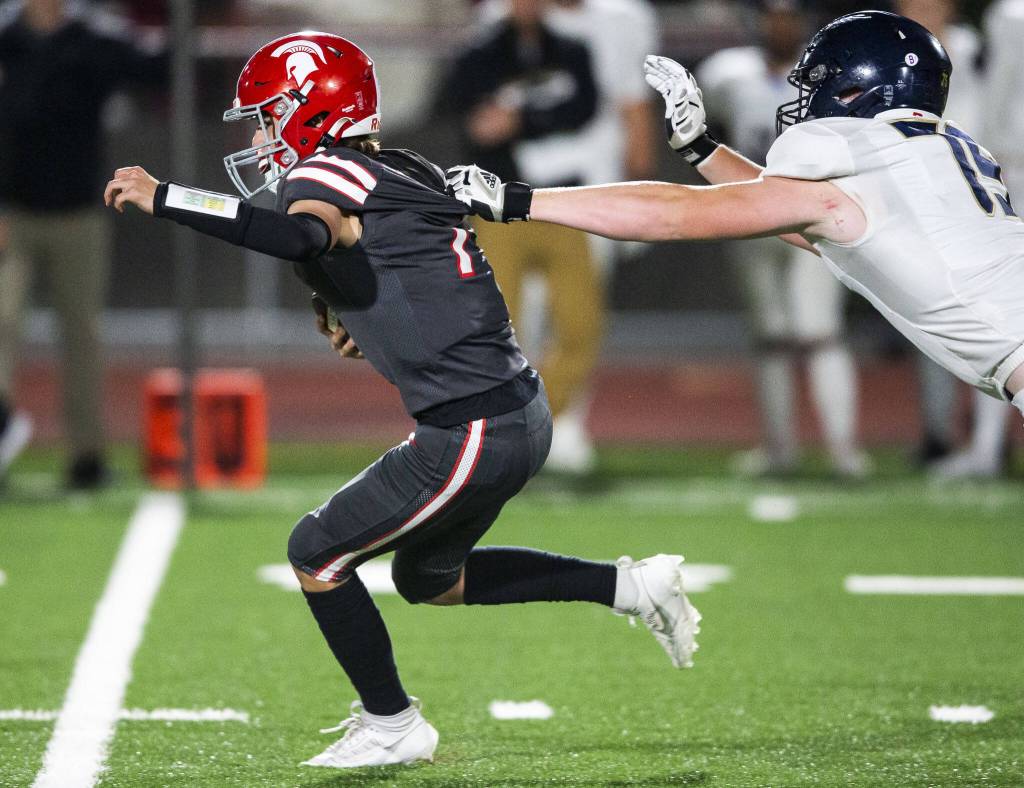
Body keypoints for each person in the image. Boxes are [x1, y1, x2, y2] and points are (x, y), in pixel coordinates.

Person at [104, 32, 700, 769]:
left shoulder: (327, 173)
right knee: (429, 579)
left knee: (316, 553)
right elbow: (391, 265)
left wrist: (168, 196)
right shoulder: (396, 166)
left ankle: (392, 723)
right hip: (511, 411)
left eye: (267, 116)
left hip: (474, 424)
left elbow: (301, 240)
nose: (260, 137)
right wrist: (352, 311)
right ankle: (632, 585)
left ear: (310, 110)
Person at [448, 12, 1024, 431]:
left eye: (824, 82)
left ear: (860, 88)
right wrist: (702, 149)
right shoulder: (936, 148)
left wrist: (521, 201)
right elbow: (818, 224)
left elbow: (677, 215)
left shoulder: (849, 143)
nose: (811, 98)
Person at [0, 0, 167, 488]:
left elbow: (156, 70)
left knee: (82, 336)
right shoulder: (7, 39)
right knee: (2, 321)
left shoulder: (94, 40)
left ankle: (87, 457)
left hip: (78, 212)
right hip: (14, 213)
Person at [697, 0, 867, 478]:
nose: (780, 25)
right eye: (773, 15)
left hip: (810, 212)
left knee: (820, 331)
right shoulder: (728, 72)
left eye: (789, 16)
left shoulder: (831, 72)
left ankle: (843, 450)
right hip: (751, 211)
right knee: (770, 336)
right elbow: (709, 127)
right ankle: (779, 449)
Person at [444, 0, 604, 474]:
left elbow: (586, 108)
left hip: (560, 201)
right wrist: (526, 120)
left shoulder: (572, 48)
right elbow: (473, 125)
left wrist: (522, 121)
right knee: (498, 328)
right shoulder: (479, 54)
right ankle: (494, 434)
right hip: (499, 208)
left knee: (582, 324)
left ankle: (530, 424)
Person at [893, 0, 1013, 478]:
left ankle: (988, 445)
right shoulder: (895, 45)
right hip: (922, 196)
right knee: (930, 322)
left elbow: (987, 121)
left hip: (977, 193)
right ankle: (941, 434)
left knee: (997, 321)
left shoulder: (975, 46)